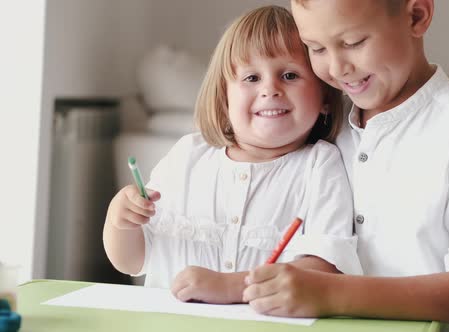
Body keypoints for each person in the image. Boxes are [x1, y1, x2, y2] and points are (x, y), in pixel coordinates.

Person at [242, 1, 449, 331]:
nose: (337, 68)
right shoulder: (325, 122)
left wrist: (331, 293)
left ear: (417, 16)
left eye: (353, 43)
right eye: (316, 48)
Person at [103, 5, 362, 305]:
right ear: (224, 98)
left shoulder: (321, 165)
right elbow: (132, 261)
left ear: (325, 100)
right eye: (251, 78)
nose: (270, 89)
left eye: (290, 75)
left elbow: (324, 268)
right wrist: (120, 221)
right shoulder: (186, 157)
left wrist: (232, 287)